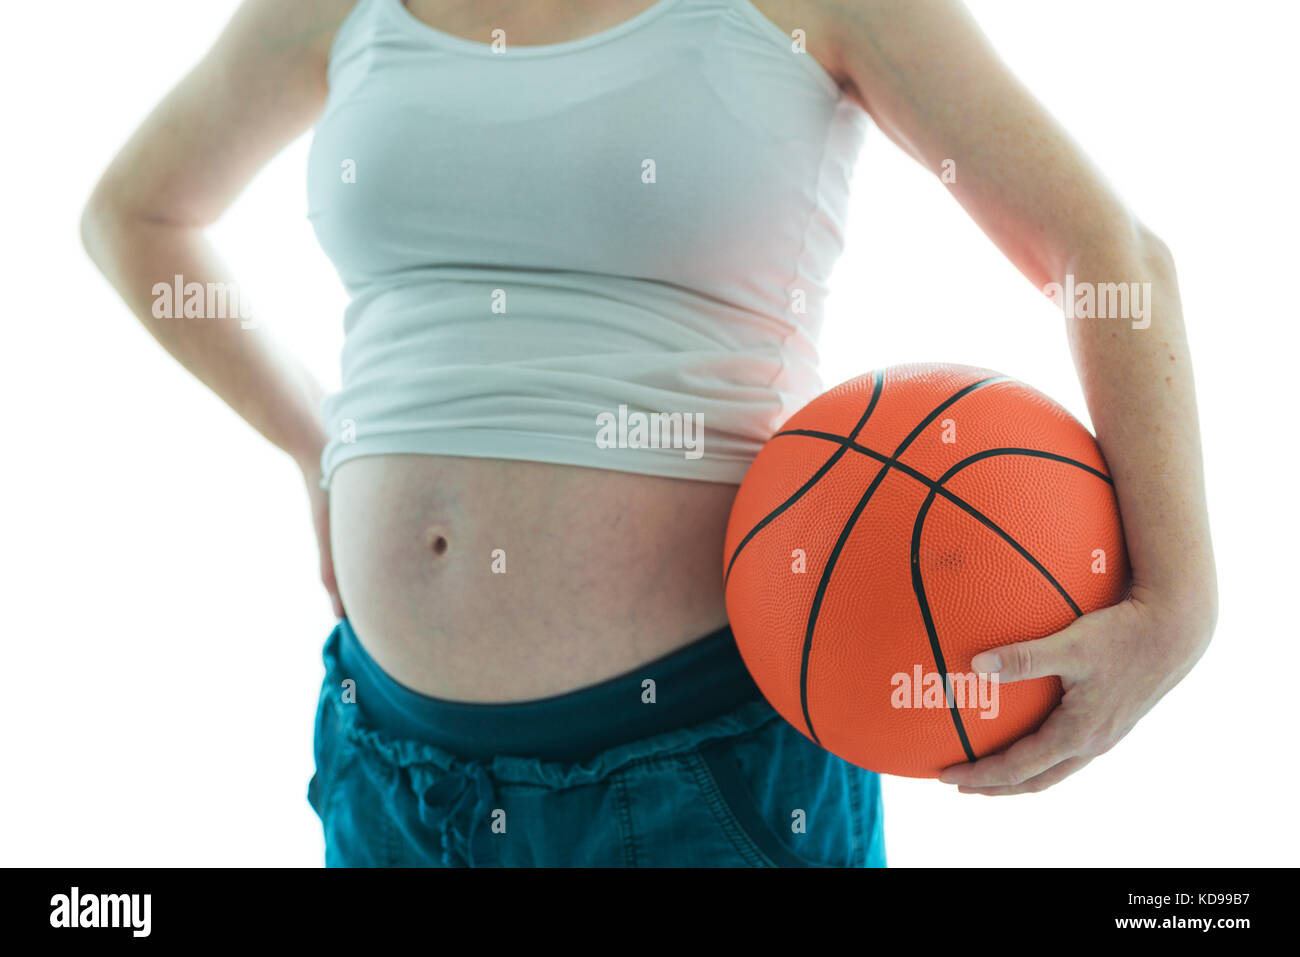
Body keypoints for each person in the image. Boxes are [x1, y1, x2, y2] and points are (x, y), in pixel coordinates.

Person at [80, 0, 1217, 866]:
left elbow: (1106, 256)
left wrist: (1177, 608)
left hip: (704, 773)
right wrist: (312, 445)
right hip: (389, 764)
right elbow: (134, 213)